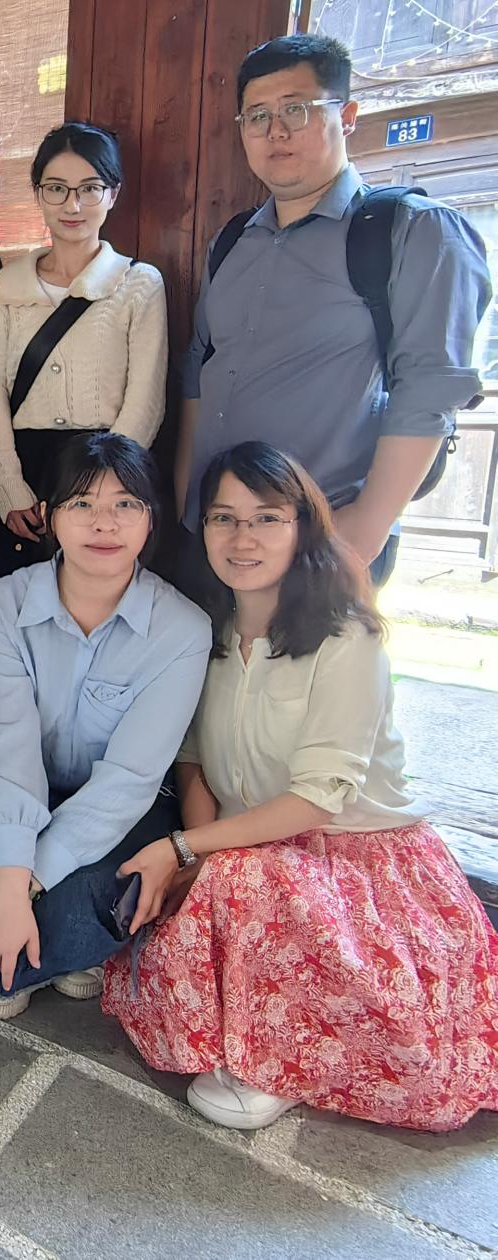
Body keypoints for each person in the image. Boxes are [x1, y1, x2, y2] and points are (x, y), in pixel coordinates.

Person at [105, 442, 498, 1132]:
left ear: (303, 528)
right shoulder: (207, 634)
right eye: (224, 518)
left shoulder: (348, 639)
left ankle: (278, 1061)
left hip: (357, 861)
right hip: (250, 846)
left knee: (245, 882)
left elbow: (319, 799)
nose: (243, 538)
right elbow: (192, 761)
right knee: (216, 884)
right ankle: (241, 1032)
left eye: (267, 519)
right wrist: (196, 851)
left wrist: (185, 847)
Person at [0, 432, 209, 1019]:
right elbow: (13, 755)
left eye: (126, 504)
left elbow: (128, 782)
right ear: (47, 516)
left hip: (125, 807)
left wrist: (20, 886)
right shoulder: (2, 605)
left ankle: (20, 935)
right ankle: (51, 944)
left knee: (96, 890)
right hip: (29, 788)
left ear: (151, 519)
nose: (104, 523)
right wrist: (13, 880)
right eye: (82, 503)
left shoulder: (183, 629)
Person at [175, 33, 491, 584]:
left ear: (346, 117)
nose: (275, 131)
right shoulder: (230, 242)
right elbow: (200, 368)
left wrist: (361, 536)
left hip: (323, 542)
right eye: (257, 116)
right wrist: (186, 500)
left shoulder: (411, 230)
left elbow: (430, 389)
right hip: (214, 536)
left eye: (296, 109)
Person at [0, 123, 168, 580]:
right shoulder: (9, 283)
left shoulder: (139, 284)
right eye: (57, 189)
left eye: (89, 189)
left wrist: (100, 495)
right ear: (39, 194)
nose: (73, 205)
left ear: (113, 194)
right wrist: (9, 488)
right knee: (10, 605)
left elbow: (146, 402)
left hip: (107, 470)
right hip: (23, 472)